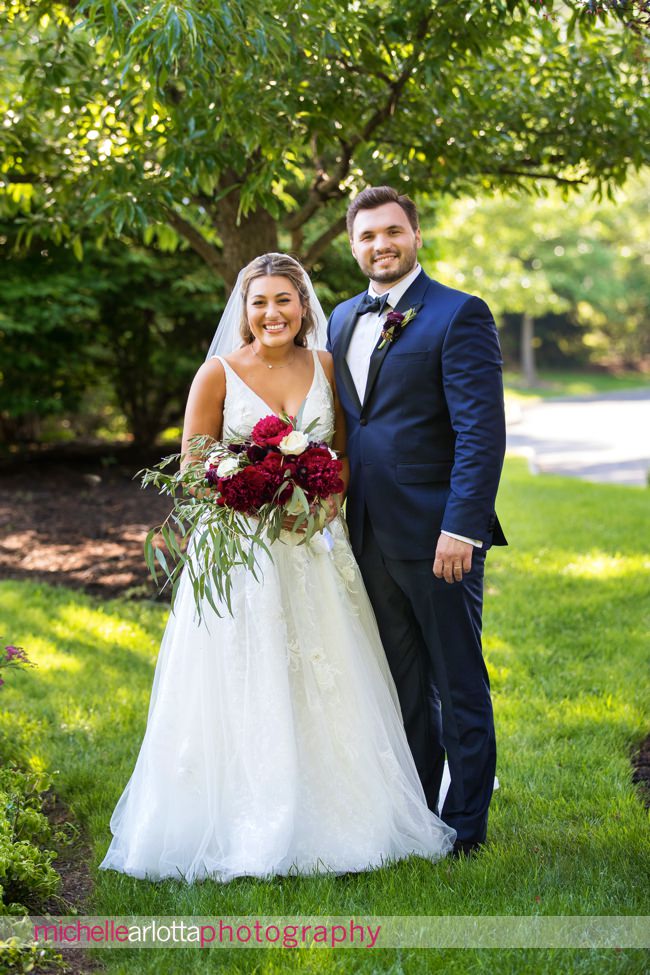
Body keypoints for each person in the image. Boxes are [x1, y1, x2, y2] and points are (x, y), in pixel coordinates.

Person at [100, 252, 455, 882]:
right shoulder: (216, 374)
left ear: (303, 307)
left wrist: (320, 503)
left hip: (316, 549)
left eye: (283, 301)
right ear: (244, 310)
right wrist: (249, 488)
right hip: (241, 552)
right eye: (259, 302)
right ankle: (244, 818)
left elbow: (343, 454)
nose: (272, 313)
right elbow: (192, 465)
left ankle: (346, 814)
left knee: (331, 674)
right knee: (246, 674)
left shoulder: (324, 365)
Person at [327, 187, 507, 856]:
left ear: (416, 236)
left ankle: (466, 829)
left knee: (456, 680)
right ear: (354, 244)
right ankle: (416, 818)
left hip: (440, 535)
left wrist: (462, 526)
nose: (381, 243)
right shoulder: (342, 317)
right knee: (402, 683)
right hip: (367, 529)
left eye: (393, 231)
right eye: (368, 234)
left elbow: (481, 432)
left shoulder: (458, 315)